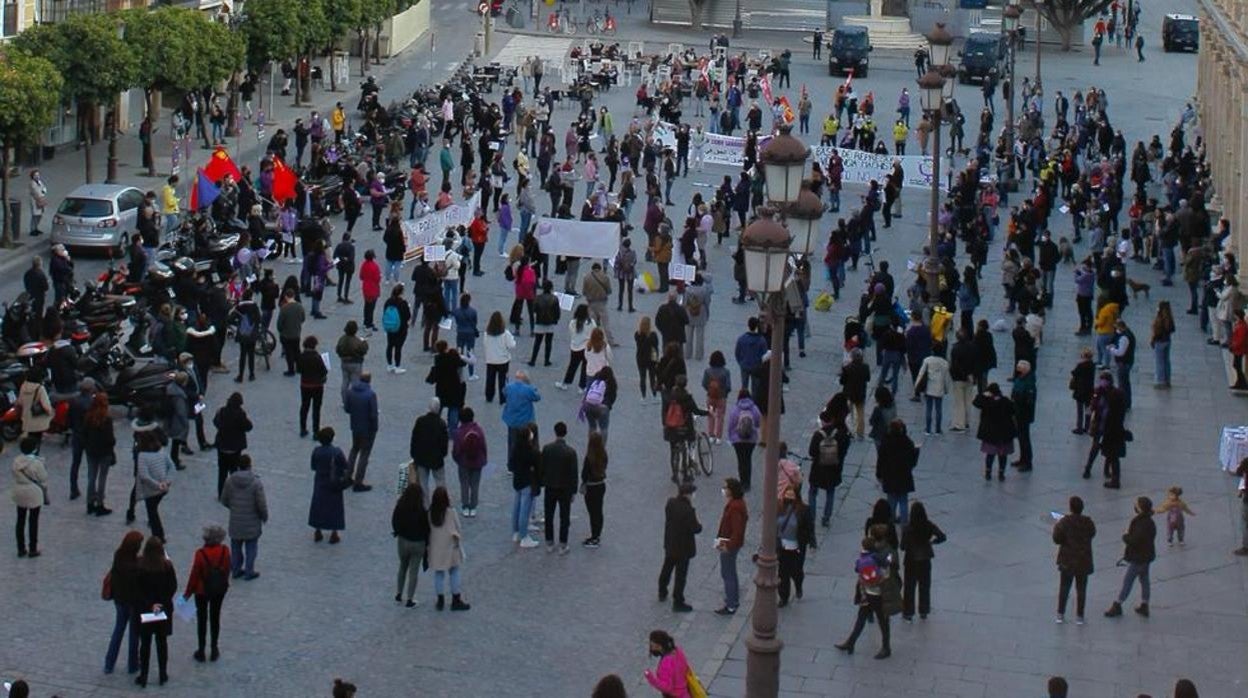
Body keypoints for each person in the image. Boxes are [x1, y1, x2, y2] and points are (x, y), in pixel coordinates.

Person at [834, 536, 894, 659]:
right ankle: (885, 647)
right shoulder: (878, 557)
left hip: (867, 593)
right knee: (882, 621)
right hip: (878, 593)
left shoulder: (863, 558)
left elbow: (857, 569)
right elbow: (887, 565)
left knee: (861, 619)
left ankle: (851, 643)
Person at [183, 524, 231, 663]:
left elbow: (194, 575)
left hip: (201, 590)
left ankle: (201, 649)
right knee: (215, 617)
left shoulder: (200, 554)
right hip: (219, 589)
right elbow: (227, 568)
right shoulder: (225, 551)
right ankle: (214, 648)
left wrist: (187, 594)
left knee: (202, 619)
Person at [134, 535, 177, 687]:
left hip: (146, 609)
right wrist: (161, 603)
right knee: (161, 642)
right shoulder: (167, 567)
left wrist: (149, 604)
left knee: (145, 643)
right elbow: (172, 587)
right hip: (162, 609)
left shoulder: (140, 566)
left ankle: (144, 675)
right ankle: (162, 674)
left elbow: (137, 589)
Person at [1105, 496, 1157, 618]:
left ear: (1140, 508)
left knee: (1128, 581)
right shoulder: (1150, 522)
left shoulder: (1140, 523)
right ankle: (1145, 604)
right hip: (1147, 556)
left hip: (1138, 558)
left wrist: (1125, 536)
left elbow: (1135, 540)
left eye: (1136, 504)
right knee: (1144, 580)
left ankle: (1118, 604)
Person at [219, 454, 267, 580]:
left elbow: (224, 499)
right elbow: (261, 503)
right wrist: (264, 516)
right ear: (249, 465)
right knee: (251, 547)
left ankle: (235, 569)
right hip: (252, 521)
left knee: (236, 546)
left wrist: (234, 507)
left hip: (235, 521)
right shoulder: (256, 482)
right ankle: (249, 571)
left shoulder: (230, 481)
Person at [103, 530, 144, 675]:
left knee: (118, 630)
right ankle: (133, 664)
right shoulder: (135, 566)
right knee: (134, 634)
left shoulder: (119, 556)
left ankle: (109, 664)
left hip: (119, 600)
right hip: (133, 603)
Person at [659, 482, 702, 613]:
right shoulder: (688, 511)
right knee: (680, 576)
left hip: (670, 543)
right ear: (687, 494)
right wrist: (699, 526)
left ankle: (662, 590)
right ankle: (678, 601)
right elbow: (696, 528)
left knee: (667, 568)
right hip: (683, 548)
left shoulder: (671, 503)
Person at [1053, 495, 1096, 624]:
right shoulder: (1088, 522)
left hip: (1067, 560)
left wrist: (1057, 527)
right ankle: (1080, 616)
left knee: (1064, 587)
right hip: (1083, 560)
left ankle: (1060, 614)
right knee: (1081, 589)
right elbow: (1092, 533)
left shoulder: (1064, 522)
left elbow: (1056, 539)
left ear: (1070, 508)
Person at [900, 501, 946, 622]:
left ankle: (908, 612)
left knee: (909, 587)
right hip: (925, 559)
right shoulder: (929, 525)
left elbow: (902, 546)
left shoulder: (907, 528)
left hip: (910, 560)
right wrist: (932, 542)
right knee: (924, 586)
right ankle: (924, 610)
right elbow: (942, 537)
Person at [427, 486, 471, 610]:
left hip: (436, 547)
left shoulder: (430, 513)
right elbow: (458, 527)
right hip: (451, 547)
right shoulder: (451, 512)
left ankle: (440, 600)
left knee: (439, 573)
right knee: (454, 571)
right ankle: (456, 599)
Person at [541, 421, 579, 553]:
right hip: (565, 489)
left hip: (550, 487)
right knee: (564, 517)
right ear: (565, 433)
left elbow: (542, 467)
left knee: (549, 515)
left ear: (555, 432)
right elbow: (574, 473)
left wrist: (543, 481)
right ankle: (563, 544)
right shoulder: (571, 452)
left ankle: (549, 542)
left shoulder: (547, 449)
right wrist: (573, 491)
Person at [391, 482, 430, 607]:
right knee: (414, 571)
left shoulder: (400, 506)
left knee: (402, 567)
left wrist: (398, 531)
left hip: (403, 541)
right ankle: (410, 599)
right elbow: (427, 528)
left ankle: (398, 593)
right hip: (418, 543)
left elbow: (394, 521)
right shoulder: (422, 510)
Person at [308, 427, 349, 544]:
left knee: (318, 506)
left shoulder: (316, 451)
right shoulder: (337, 452)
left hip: (320, 482)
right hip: (334, 482)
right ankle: (334, 533)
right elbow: (345, 466)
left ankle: (318, 531)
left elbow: (313, 467)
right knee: (335, 508)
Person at [808, 409, 848, 527]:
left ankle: (811, 517)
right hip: (833, 469)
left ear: (822, 421)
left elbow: (811, 452)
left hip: (818, 469)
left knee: (812, 492)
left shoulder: (818, 435)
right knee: (830, 493)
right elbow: (844, 450)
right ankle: (826, 518)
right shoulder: (839, 435)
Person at [777, 487, 816, 607]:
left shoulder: (804, 510)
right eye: (787, 494)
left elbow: (810, 527)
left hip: (797, 546)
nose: (788, 497)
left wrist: (812, 541)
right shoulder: (779, 508)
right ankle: (784, 597)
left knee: (796, 571)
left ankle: (798, 585)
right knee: (783, 573)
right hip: (782, 546)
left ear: (796, 496)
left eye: (791, 495)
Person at [876, 420, 919, 523]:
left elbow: (880, 460)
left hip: (889, 476)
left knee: (891, 500)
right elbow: (913, 461)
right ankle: (904, 522)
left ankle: (891, 520)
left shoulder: (886, 442)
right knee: (903, 500)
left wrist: (879, 474)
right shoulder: (907, 442)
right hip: (904, 476)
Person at [211, 392, 253, 498]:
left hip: (222, 446)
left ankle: (221, 494)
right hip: (235, 448)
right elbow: (249, 427)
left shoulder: (222, 411)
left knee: (222, 472)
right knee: (234, 472)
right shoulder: (240, 414)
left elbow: (215, 422)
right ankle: (234, 494)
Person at [135, 430, 174, 543]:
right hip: (163, 488)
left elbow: (144, 476)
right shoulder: (162, 452)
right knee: (153, 511)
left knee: (152, 512)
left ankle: (158, 536)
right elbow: (172, 467)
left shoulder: (142, 456)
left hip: (151, 490)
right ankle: (158, 535)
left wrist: (158, 485)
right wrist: (166, 482)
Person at [11, 436, 47, 557]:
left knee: (20, 520)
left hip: (19, 491)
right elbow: (43, 477)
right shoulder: (37, 463)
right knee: (33, 521)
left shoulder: (16, 461)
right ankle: (33, 548)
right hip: (33, 492)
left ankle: (20, 548)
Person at [343, 371, 379, 492]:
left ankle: (347, 476)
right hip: (367, 429)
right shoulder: (370, 395)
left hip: (355, 426)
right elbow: (373, 415)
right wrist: (375, 428)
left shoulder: (351, 392)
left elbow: (347, 409)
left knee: (354, 450)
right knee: (364, 454)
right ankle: (358, 482)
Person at [973, 383, 1016, 481]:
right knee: (1003, 455)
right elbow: (1014, 410)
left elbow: (975, 402)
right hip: (1004, 434)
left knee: (990, 454)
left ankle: (988, 472)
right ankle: (1001, 473)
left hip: (990, 434)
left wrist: (983, 395)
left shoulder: (986, 402)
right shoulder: (1005, 401)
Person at [82, 391, 116, 516]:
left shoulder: (88, 416)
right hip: (104, 452)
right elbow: (110, 438)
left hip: (91, 451)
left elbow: (84, 434)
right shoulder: (107, 418)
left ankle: (90, 503)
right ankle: (100, 504)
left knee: (91, 477)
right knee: (102, 478)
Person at [410, 397, 450, 499]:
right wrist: (443, 454)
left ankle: (425, 504)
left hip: (421, 457)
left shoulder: (420, 421)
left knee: (422, 483)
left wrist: (414, 454)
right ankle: (441, 502)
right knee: (440, 482)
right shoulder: (441, 424)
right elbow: (444, 443)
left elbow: (414, 439)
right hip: (436, 459)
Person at [510, 422, 542, 548]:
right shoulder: (532, 452)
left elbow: (511, 465)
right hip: (527, 481)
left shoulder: (515, 449)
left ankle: (516, 532)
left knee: (516, 507)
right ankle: (524, 536)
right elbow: (538, 467)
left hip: (517, 480)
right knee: (524, 509)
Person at [452, 407, 488, 516]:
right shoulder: (479, 430)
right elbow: (483, 446)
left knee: (464, 484)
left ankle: (465, 506)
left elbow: (456, 449)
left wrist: (457, 459)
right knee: (475, 484)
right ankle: (473, 507)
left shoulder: (458, 432)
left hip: (463, 461)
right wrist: (484, 458)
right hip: (477, 461)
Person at [914, 343, 952, 436]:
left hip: (929, 387)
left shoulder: (927, 360)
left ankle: (928, 429)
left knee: (929, 408)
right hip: (939, 388)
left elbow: (921, 374)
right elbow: (947, 378)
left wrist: (916, 386)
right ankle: (938, 430)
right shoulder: (945, 363)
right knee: (938, 409)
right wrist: (947, 389)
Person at [726, 389, 761, 490]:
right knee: (748, 459)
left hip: (738, 440)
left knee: (741, 461)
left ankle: (742, 482)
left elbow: (731, 425)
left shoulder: (735, 409)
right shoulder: (754, 408)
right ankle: (747, 483)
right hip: (751, 439)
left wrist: (731, 438)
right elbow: (758, 423)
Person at [557, 304, 596, 390]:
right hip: (587, 347)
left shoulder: (573, 323)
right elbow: (594, 333)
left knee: (572, 366)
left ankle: (566, 383)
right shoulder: (591, 322)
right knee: (585, 367)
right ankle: (582, 386)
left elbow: (572, 334)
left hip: (575, 347)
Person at [580, 430, 608, 547]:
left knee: (592, 512)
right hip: (600, 485)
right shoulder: (604, 455)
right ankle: (597, 535)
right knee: (599, 511)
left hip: (591, 487)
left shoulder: (589, 458)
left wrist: (583, 483)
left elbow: (584, 474)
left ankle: (594, 537)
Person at [296, 336, 328, 437]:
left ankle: (303, 428)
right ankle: (316, 431)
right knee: (316, 408)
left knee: (304, 407)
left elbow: (298, 370)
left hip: (305, 385)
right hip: (317, 385)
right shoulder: (318, 357)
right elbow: (324, 371)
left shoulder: (301, 356)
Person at [643, 630, 691, 696]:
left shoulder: (666, 662)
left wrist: (650, 678)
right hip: (685, 693)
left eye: (651, 645)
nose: (650, 647)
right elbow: (686, 668)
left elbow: (667, 688)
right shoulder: (678, 651)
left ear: (658, 646)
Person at [483, 311, 517, 403]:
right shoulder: (505, 333)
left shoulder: (487, 333)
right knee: (503, 380)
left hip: (490, 359)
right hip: (503, 360)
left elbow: (485, 344)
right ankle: (503, 398)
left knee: (490, 379)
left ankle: (489, 396)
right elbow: (512, 345)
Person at [1011, 359, 1037, 471]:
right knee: (1021, 438)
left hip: (1024, 414)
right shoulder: (1020, 378)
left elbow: (1028, 400)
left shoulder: (1029, 383)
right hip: (1018, 412)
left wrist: (1018, 399)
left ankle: (1027, 462)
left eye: (1019, 368)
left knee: (1025, 438)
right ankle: (1022, 459)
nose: (1017, 370)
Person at [16, 367, 51, 446]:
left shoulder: (23, 386)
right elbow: (46, 406)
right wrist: (50, 413)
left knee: (30, 440)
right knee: (36, 441)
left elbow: (20, 402)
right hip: (37, 419)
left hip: (25, 418)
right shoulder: (40, 388)